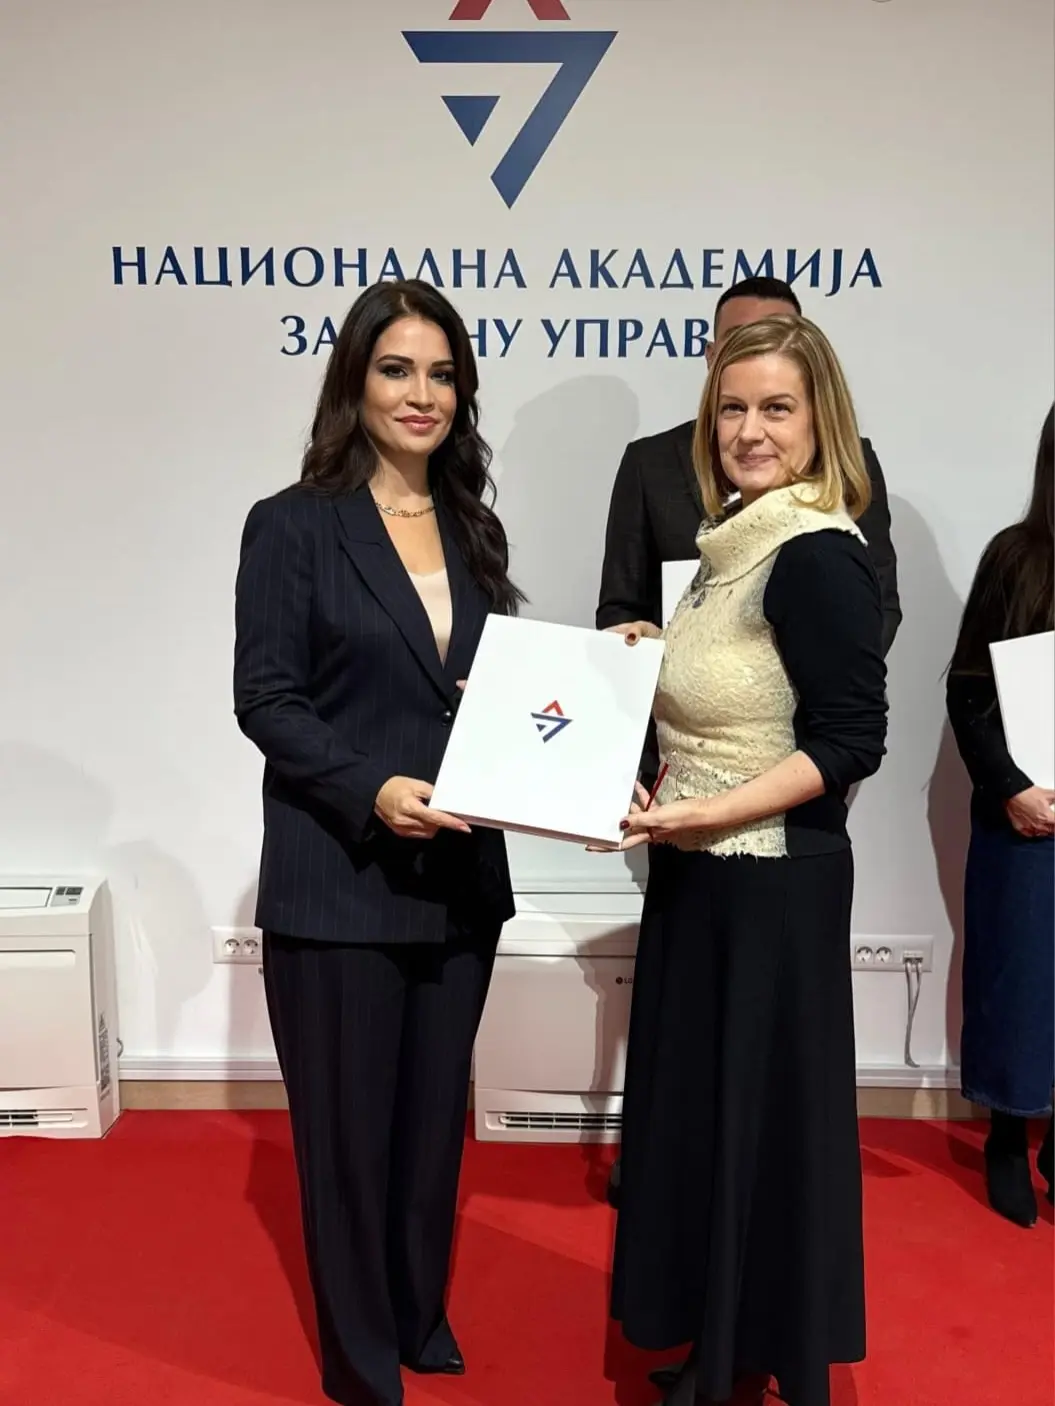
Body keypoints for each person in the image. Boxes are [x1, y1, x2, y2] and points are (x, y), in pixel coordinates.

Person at [233, 279, 520, 1406]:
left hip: (458, 881)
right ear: (353, 381)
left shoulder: (473, 526)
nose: (421, 394)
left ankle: (415, 1311)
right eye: (396, 369)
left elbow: (489, 695)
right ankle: (360, 1359)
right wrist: (372, 788)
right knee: (348, 1143)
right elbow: (267, 698)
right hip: (340, 877)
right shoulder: (293, 523)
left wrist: (603, 681)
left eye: (442, 374)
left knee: (430, 1128)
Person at [607, 314, 888, 1406]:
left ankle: (751, 1349)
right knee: (705, 1121)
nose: (748, 430)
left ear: (821, 422)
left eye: (776, 407)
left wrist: (709, 809)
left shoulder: (815, 551)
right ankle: (718, 1338)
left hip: (770, 885)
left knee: (756, 1129)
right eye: (730, 408)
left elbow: (848, 740)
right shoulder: (730, 544)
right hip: (702, 877)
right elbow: (727, 695)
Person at [946, 404, 1055, 1229]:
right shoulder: (1015, 558)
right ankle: (1008, 1135)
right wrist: (1011, 785)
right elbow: (967, 689)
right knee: (1017, 983)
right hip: (1024, 819)